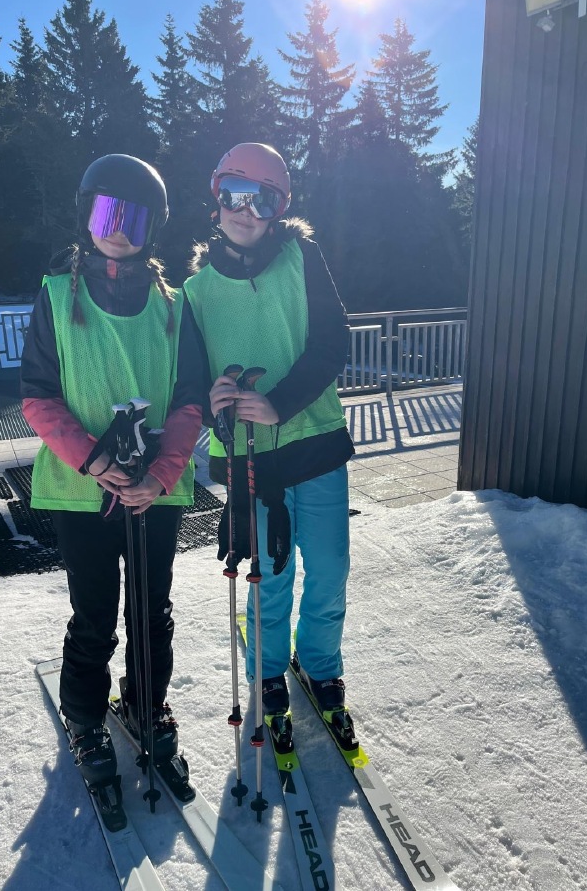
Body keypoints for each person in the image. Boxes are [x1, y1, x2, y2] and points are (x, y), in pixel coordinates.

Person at [21, 154, 205, 786]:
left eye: (135, 217)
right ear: (87, 216)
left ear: (154, 227)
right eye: (107, 214)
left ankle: (146, 704)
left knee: (151, 610)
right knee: (94, 612)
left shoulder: (173, 306)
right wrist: (92, 458)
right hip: (84, 489)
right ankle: (85, 717)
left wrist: (163, 472)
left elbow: (189, 399)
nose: (119, 229)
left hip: (154, 489)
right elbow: (39, 395)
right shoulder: (57, 295)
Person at [184, 142, 355, 739]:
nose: (246, 210)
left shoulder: (302, 258)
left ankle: (320, 665)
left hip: (317, 442)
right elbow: (190, 379)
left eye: (263, 200)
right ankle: (268, 669)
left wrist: (279, 401)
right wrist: (211, 398)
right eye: (235, 194)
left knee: (329, 569)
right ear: (216, 199)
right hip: (250, 457)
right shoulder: (196, 291)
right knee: (270, 575)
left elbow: (333, 341)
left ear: (279, 208)